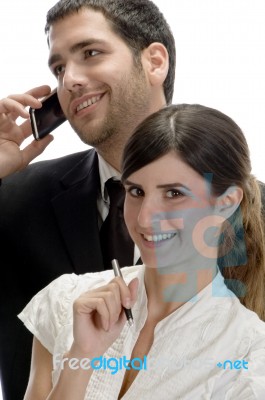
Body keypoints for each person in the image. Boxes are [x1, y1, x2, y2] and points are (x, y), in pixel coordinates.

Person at [19, 104, 265, 399]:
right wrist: (81, 357)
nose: (145, 218)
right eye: (136, 192)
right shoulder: (67, 302)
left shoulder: (249, 357)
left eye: (174, 193)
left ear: (226, 203)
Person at [0, 1, 176, 399]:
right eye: (59, 69)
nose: (70, 80)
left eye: (90, 53)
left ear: (154, 62)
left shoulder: (247, 210)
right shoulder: (12, 200)